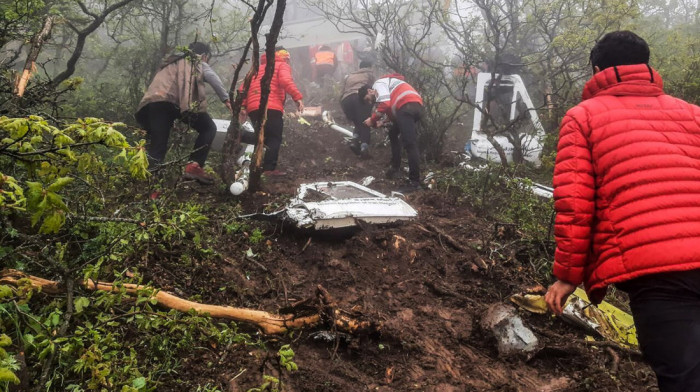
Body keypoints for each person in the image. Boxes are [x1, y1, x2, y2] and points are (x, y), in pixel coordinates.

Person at [544, 31, 700, 392]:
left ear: (597, 69)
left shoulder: (583, 117)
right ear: (646, 65)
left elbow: (575, 202)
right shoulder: (693, 114)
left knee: (684, 379)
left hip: (659, 273)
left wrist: (568, 274)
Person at [136, 42, 231, 185]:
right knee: (208, 128)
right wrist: (227, 100)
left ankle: (151, 184)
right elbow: (212, 78)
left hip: (154, 102)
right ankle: (194, 166)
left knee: (158, 144)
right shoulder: (196, 60)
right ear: (204, 56)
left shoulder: (170, 62)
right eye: (207, 58)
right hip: (174, 102)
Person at [240, 48, 303, 176]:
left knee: (263, 137)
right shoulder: (281, 65)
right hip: (271, 106)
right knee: (274, 137)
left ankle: (241, 135)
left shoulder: (256, 69)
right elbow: (286, 81)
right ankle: (269, 169)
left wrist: (242, 106)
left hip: (253, 109)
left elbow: (243, 88)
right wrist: (297, 98)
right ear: (285, 58)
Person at [358, 74, 424, 191]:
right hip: (414, 106)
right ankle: (395, 168)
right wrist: (382, 122)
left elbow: (385, 104)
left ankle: (414, 182)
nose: (370, 103)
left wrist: (372, 119)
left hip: (406, 105)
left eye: (368, 99)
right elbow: (393, 112)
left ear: (370, 91)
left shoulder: (378, 84)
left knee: (410, 143)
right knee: (393, 133)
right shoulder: (389, 87)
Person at [340, 60, 375, 157]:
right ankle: (364, 148)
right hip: (359, 98)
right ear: (369, 67)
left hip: (345, 100)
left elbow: (342, 91)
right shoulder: (369, 74)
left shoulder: (350, 76)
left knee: (357, 122)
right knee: (365, 122)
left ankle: (354, 141)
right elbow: (372, 89)